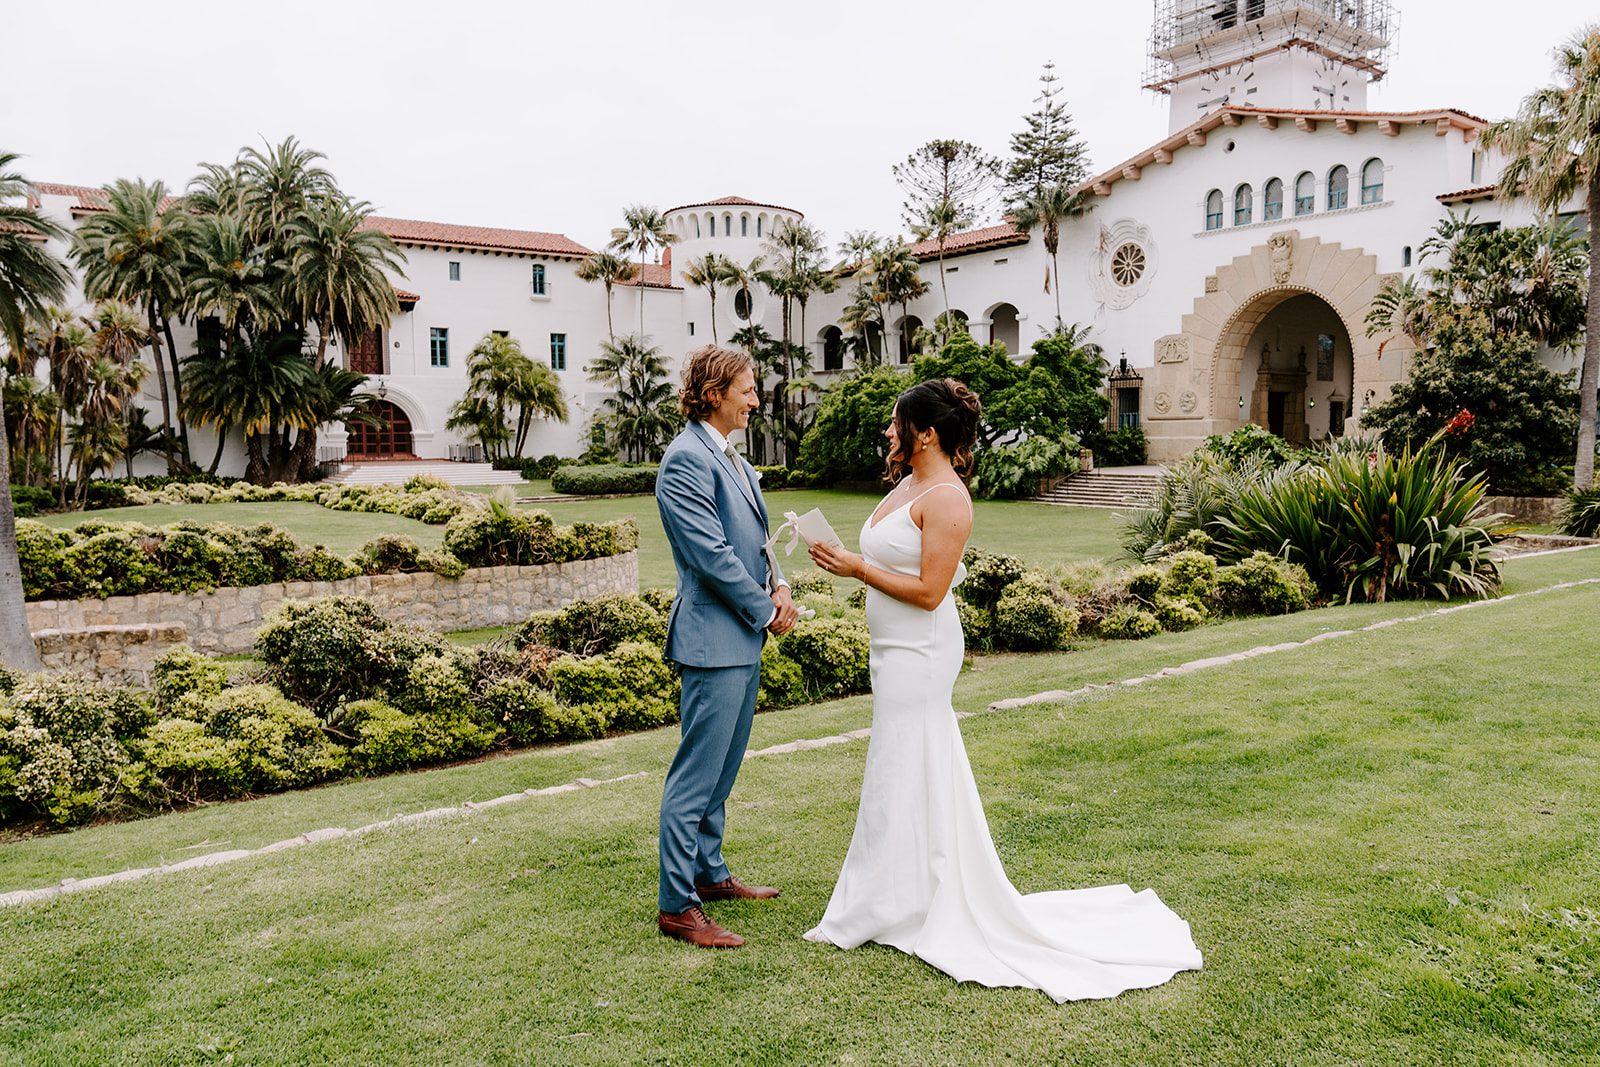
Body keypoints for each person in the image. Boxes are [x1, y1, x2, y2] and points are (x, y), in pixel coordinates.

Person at [804, 377, 1203, 1001]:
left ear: (925, 434)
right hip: (892, 650)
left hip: (921, 651)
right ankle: (900, 892)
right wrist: (846, 559)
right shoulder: (908, 484)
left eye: (896, 421)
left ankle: (886, 900)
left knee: (901, 761)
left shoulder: (949, 498)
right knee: (905, 764)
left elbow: (930, 592)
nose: (887, 430)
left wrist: (857, 569)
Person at [654, 344, 800, 949]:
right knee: (695, 776)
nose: (755, 400)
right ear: (713, 394)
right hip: (713, 639)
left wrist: (780, 586)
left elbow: (757, 540)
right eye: (747, 390)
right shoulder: (686, 460)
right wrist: (766, 610)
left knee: (723, 769)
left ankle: (709, 874)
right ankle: (677, 905)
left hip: (741, 639)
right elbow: (710, 556)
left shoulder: (728, 455)